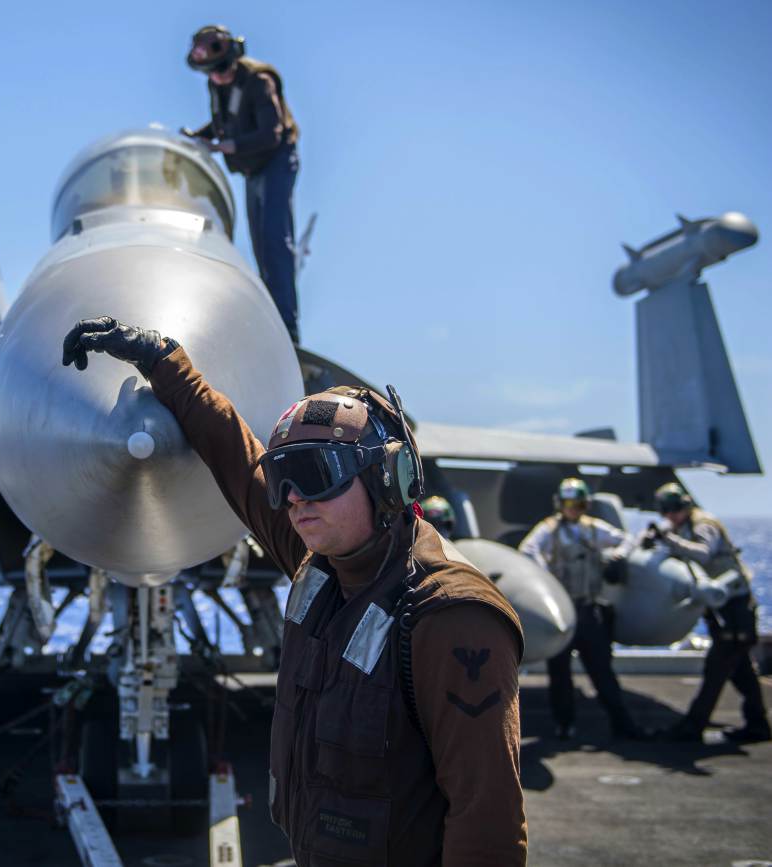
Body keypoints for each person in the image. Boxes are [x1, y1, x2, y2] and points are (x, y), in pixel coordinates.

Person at [62, 317, 527, 866]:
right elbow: (236, 457)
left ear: (388, 480)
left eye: (313, 475)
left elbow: (487, 820)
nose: (291, 499)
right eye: (283, 478)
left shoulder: (448, 616)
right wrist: (161, 358)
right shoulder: (322, 565)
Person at [182, 25, 301, 343]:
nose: (216, 78)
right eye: (210, 73)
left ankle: (288, 329)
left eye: (220, 71)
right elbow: (226, 119)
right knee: (261, 246)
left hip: (276, 162)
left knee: (276, 241)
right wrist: (201, 137)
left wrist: (225, 146)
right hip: (253, 170)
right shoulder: (216, 83)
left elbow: (270, 133)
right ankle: (274, 322)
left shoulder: (259, 81)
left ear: (231, 61)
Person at [518, 478, 645, 741]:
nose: (573, 509)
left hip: (588, 610)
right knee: (560, 674)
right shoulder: (548, 530)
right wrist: (546, 577)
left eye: (578, 504)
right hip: (563, 610)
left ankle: (623, 725)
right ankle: (565, 725)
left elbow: (627, 540)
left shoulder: (593, 529)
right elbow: (528, 550)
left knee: (602, 671)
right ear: (560, 504)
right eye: (569, 504)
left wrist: (617, 556)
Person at [651, 483, 770, 743]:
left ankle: (693, 726)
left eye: (673, 510)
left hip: (734, 610)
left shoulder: (705, 526)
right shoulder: (682, 526)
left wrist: (670, 540)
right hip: (724, 610)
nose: (670, 516)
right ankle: (758, 724)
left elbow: (704, 554)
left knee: (716, 670)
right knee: (741, 672)